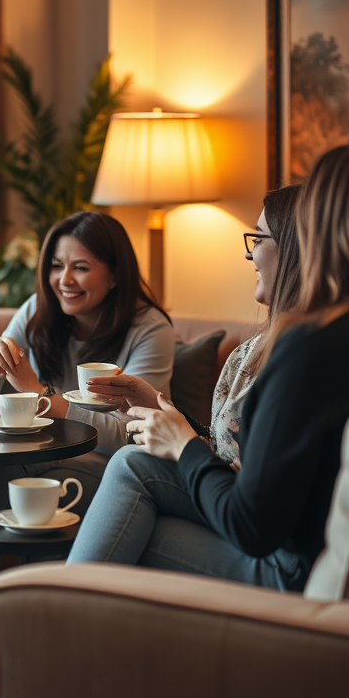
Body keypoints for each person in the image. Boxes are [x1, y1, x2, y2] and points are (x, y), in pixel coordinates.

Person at [71, 143, 349, 591]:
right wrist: (180, 430)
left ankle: (61, 625)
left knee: (133, 481)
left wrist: (183, 445)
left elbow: (254, 526)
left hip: (292, 569)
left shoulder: (316, 349)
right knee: (135, 481)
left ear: (334, 231)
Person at [68, 183, 301, 568]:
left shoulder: (301, 358)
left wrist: (183, 442)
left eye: (258, 239)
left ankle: (55, 612)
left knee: (132, 469)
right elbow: (233, 450)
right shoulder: (259, 349)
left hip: (277, 555)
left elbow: (257, 499)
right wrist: (162, 410)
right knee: (136, 503)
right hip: (244, 516)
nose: (248, 253)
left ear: (295, 251)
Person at [0, 211, 174, 585]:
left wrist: (39, 394)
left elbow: (130, 434)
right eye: (57, 266)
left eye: (81, 267)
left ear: (115, 275)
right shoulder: (37, 311)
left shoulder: (150, 329)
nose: (65, 280)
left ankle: (29, 606)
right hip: (39, 455)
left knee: (42, 483)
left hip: (114, 467)